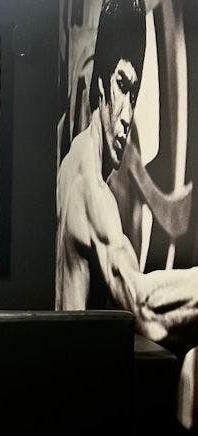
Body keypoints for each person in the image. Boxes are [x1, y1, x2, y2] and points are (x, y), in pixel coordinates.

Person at [56, 0, 198, 345]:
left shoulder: (72, 160)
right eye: (122, 84)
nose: (127, 116)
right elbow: (144, 308)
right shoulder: (90, 188)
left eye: (134, 96)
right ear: (100, 82)